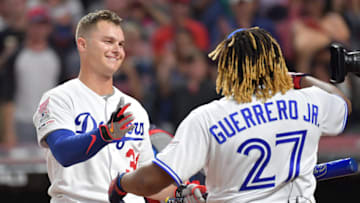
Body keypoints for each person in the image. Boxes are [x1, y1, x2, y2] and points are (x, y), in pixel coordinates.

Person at [108, 27, 351, 202]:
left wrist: (121, 183)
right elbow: (343, 104)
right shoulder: (309, 100)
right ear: (277, 65)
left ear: (226, 69)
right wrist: (296, 79)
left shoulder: (207, 117)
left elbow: (150, 182)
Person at [32, 9, 174, 203]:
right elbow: (63, 152)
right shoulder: (58, 98)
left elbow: (145, 182)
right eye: (108, 41)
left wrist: (180, 192)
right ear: (82, 44)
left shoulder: (135, 108)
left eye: (121, 44)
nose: (117, 50)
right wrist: (105, 134)